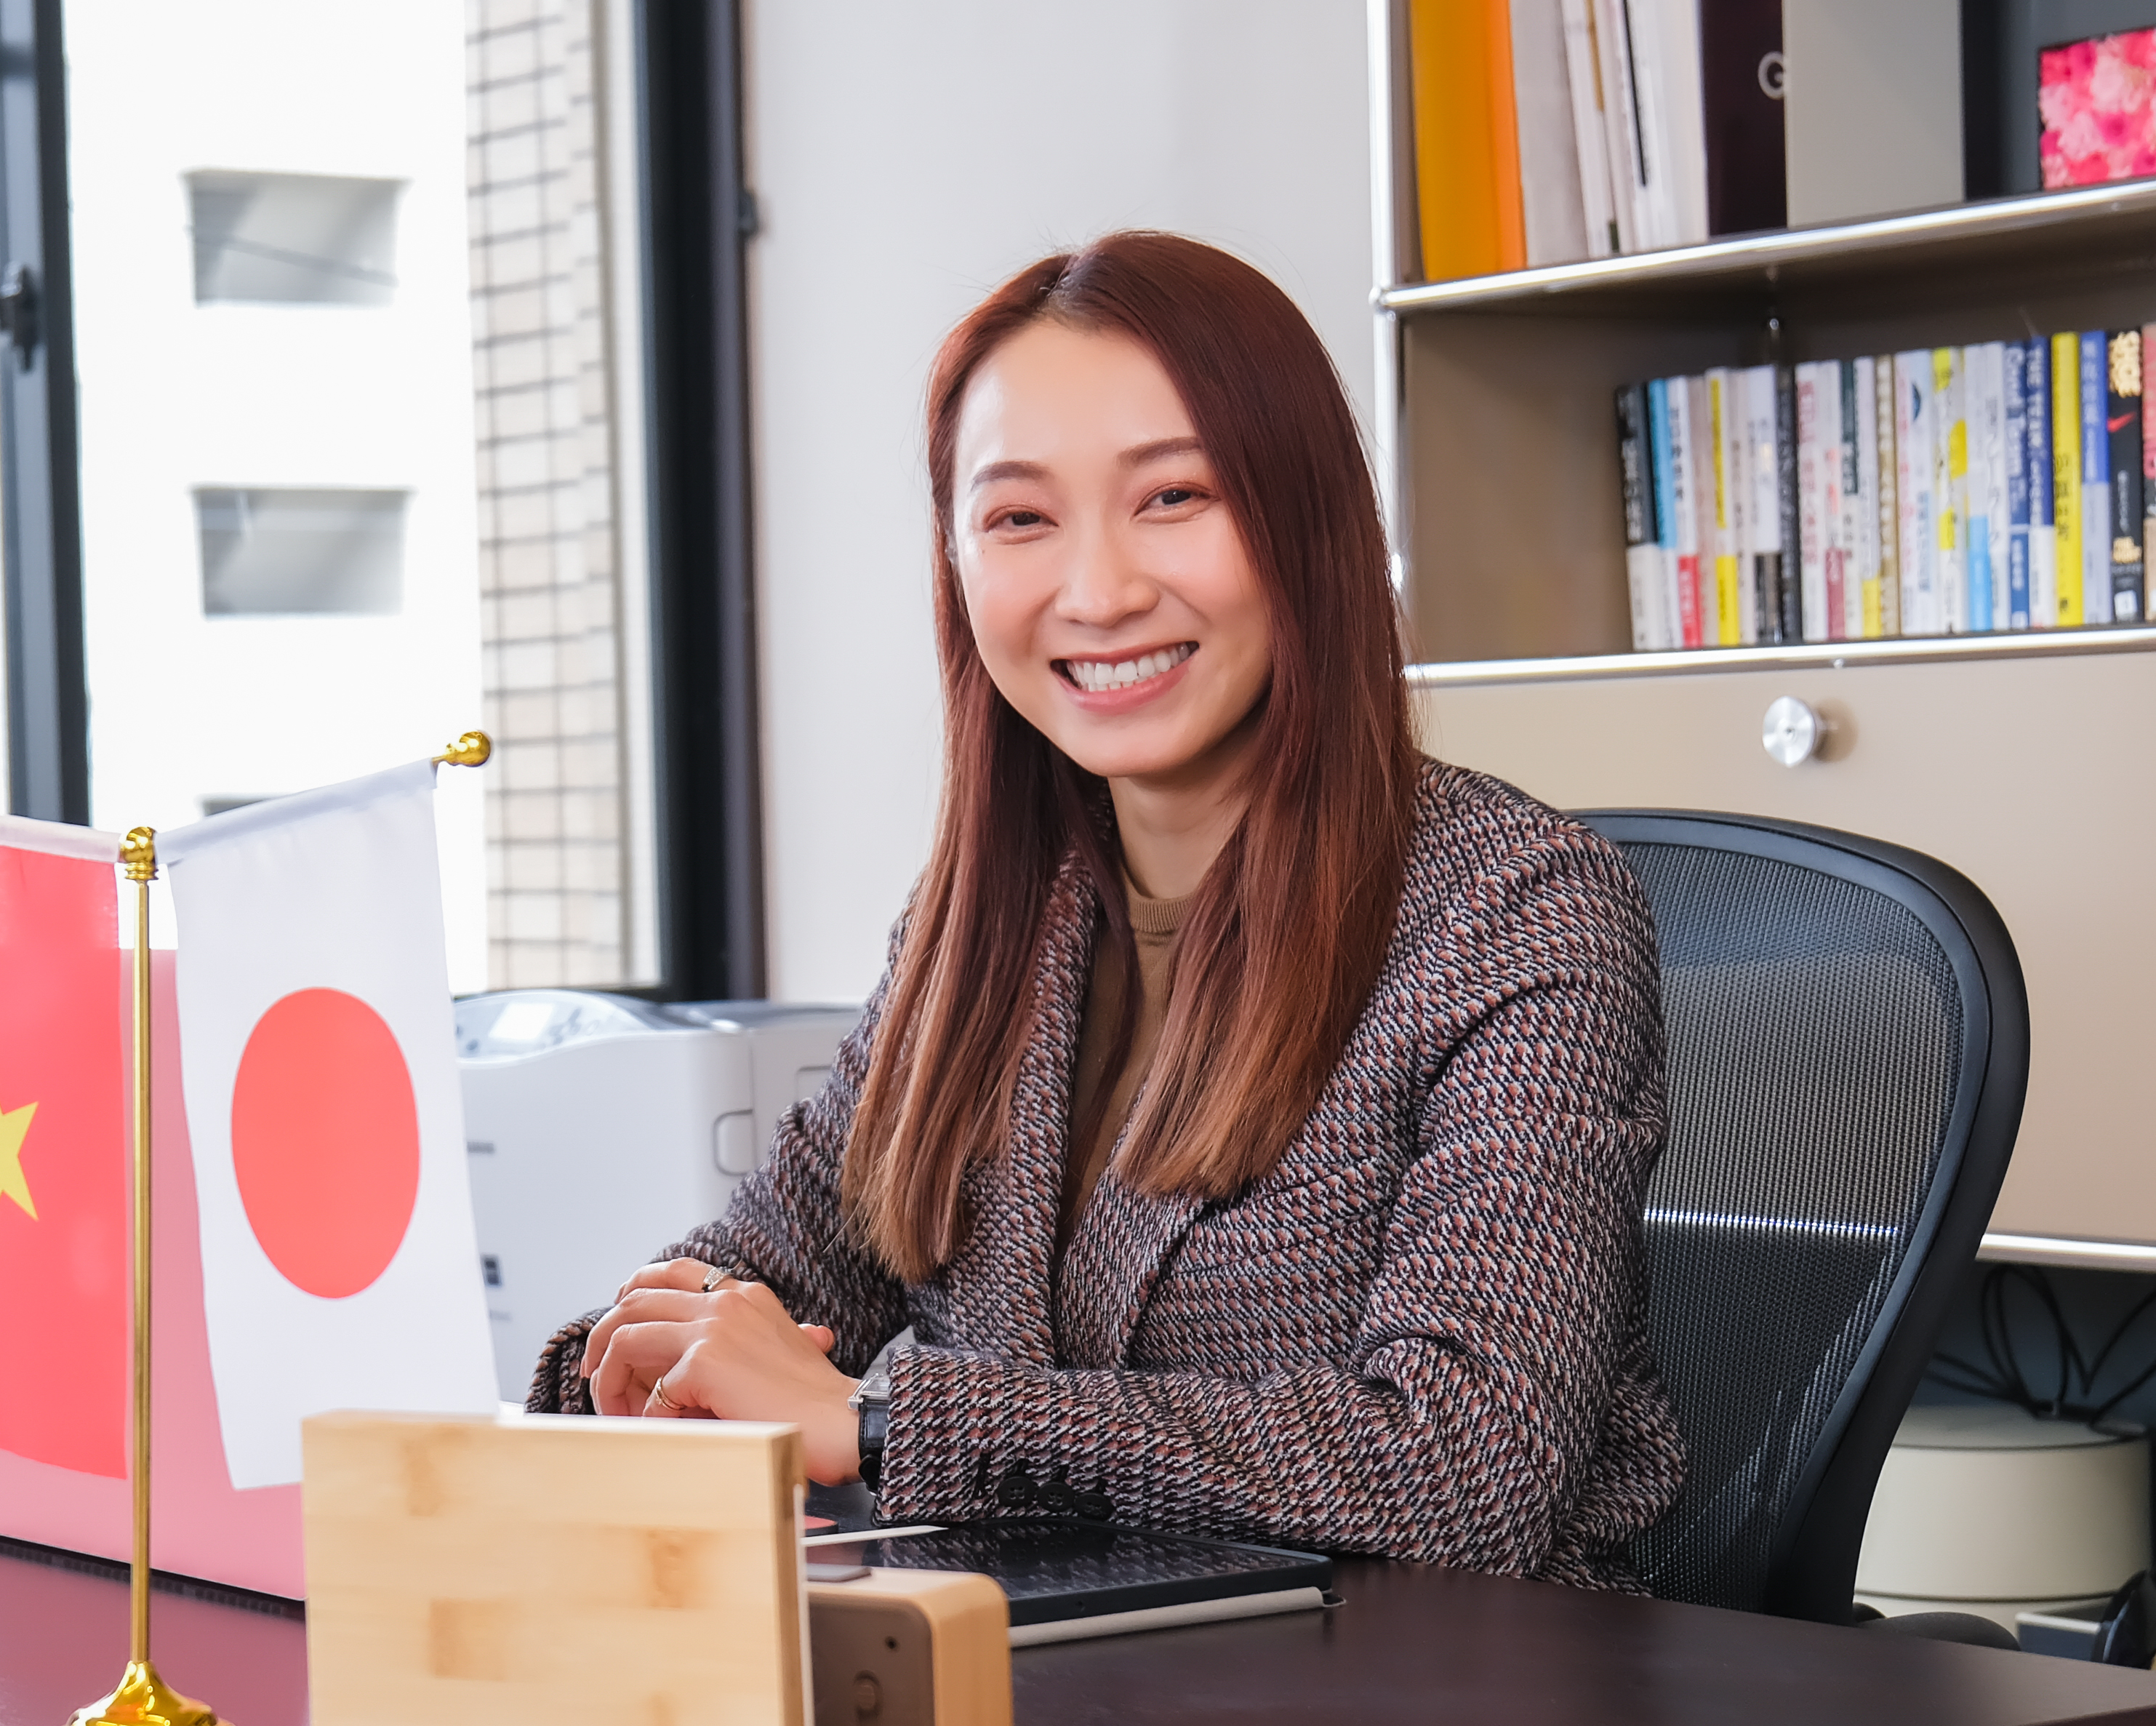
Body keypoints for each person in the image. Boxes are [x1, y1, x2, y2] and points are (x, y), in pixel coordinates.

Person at [533, 231, 1685, 1588]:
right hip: (1054, 1698)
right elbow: (779, 1266)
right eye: (1021, 518)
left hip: (1432, 1722)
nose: (1098, 593)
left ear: (1304, 519)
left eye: (1175, 498)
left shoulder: (1515, 915)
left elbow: (1457, 1472)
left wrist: (885, 1423)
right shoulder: (987, 922)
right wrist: (630, 1361)